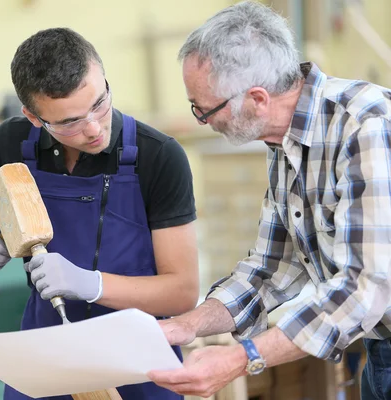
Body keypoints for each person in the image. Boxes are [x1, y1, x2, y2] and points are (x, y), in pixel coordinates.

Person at [147, 2, 391, 399]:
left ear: (257, 99)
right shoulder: (284, 142)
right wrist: (186, 325)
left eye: (204, 110)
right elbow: (269, 268)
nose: (202, 121)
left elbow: (363, 288)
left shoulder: (364, 127)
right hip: (380, 349)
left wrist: (243, 357)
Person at [0, 27, 199, 400]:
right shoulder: (12, 142)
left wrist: (92, 285)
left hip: (136, 364)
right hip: (45, 356)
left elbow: (182, 292)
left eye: (99, 104)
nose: (93, 129)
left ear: (103, 78)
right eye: (70, 122)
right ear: (34, 116)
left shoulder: (159, 157)